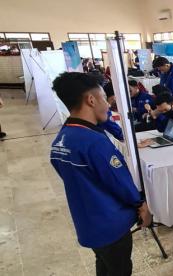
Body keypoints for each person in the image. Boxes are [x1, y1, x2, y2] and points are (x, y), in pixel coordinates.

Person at [50, 72, 151, 276]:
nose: (108, 103)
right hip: (111, 225)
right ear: (91, 99)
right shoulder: (94, 143)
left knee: (104, 265)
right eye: (105, 98)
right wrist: (141, 205)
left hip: (88, 223)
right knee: (120, 269)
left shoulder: (61, 140)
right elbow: (119, 183)